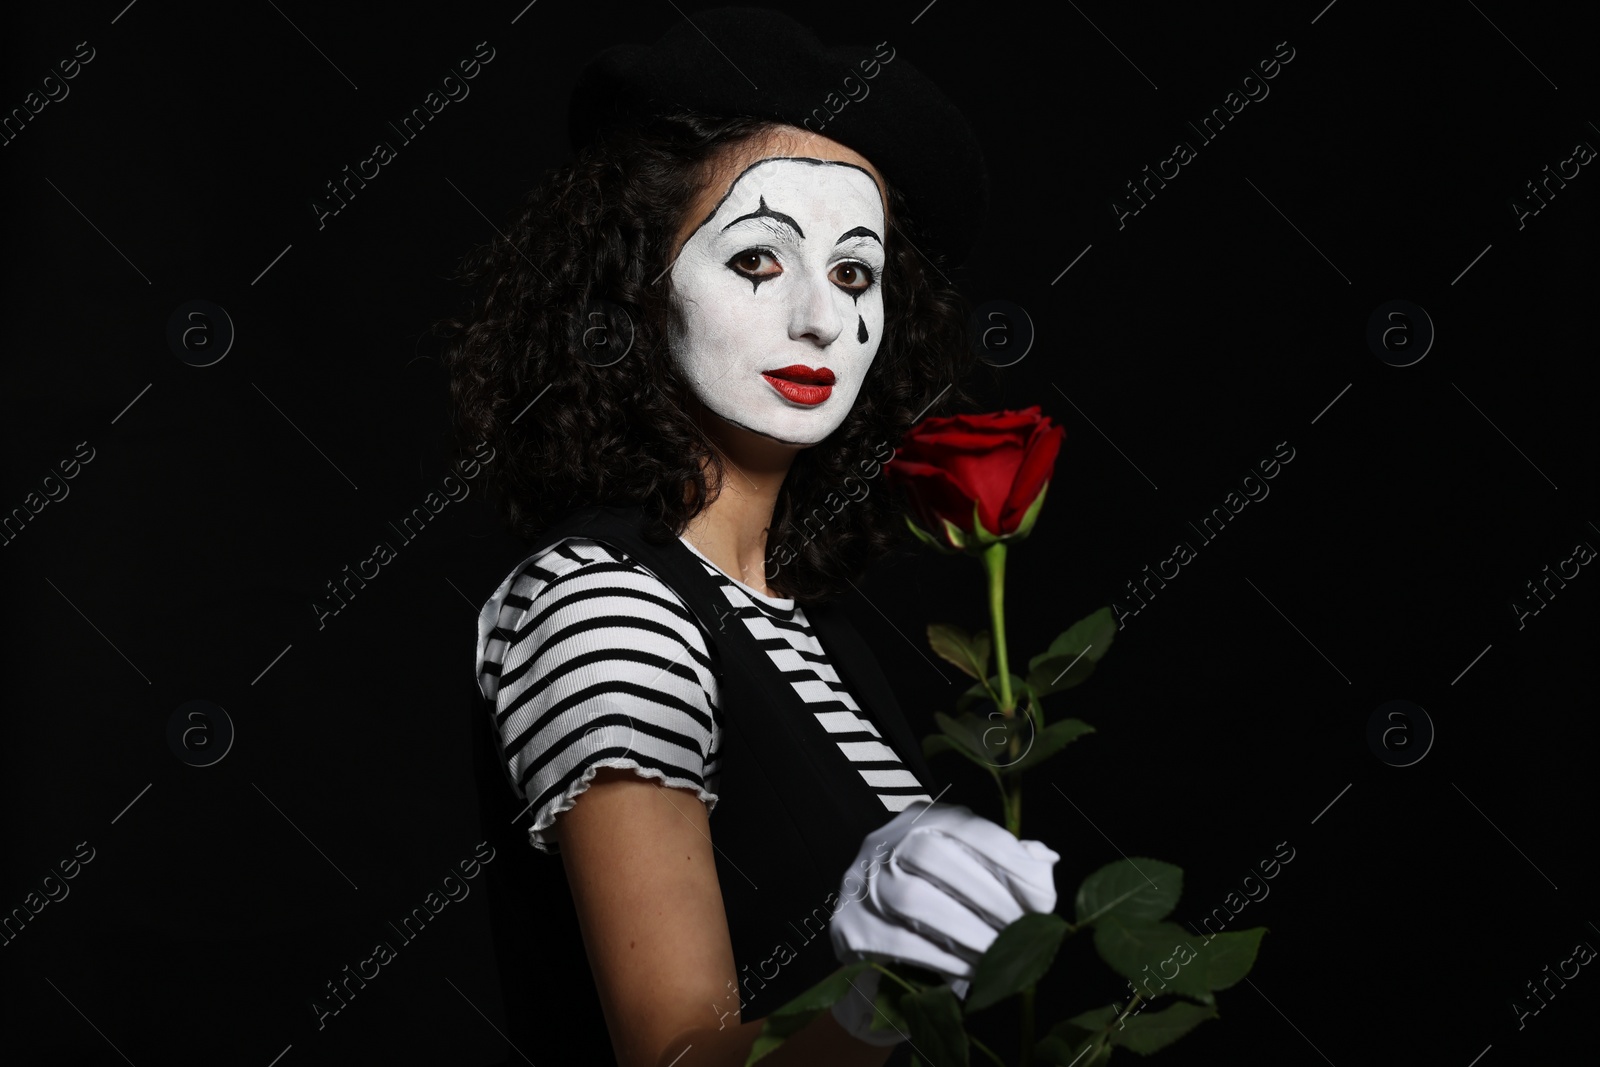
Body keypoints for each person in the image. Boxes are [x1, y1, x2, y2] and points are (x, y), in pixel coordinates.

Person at [442, 9, 1060, 1065]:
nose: (819, 316)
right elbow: (678, 1052)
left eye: (855, 273)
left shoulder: (822, 641)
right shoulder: (602, 600)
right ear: (637, 285)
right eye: (761, 259)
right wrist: (880, 998)